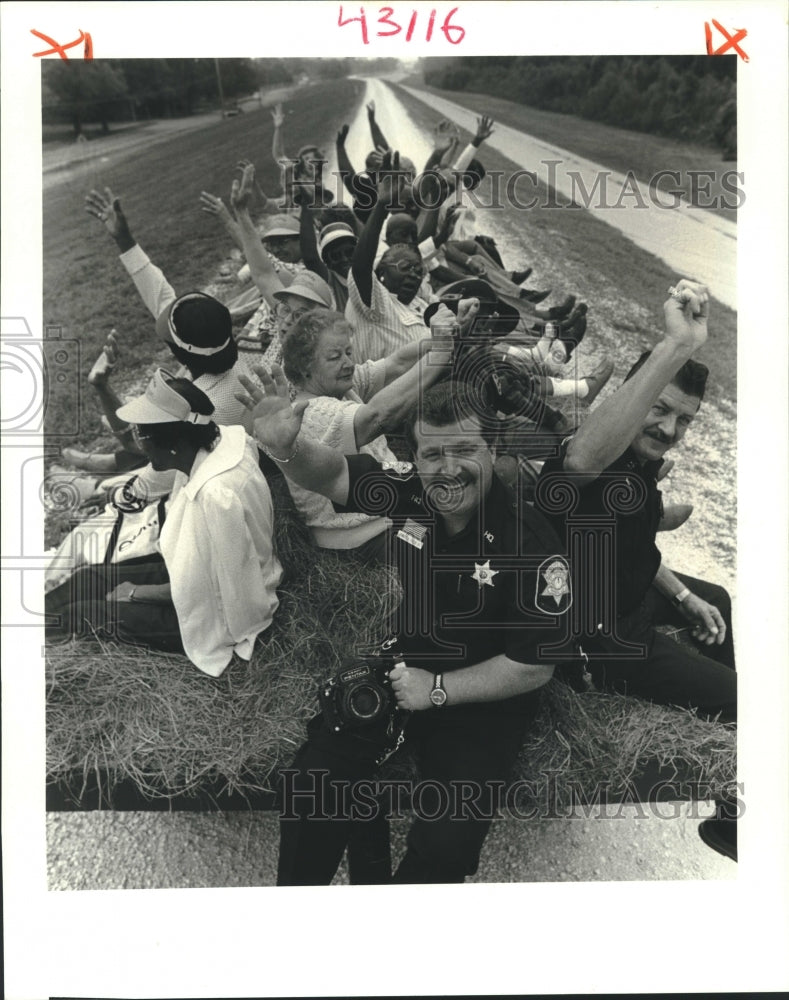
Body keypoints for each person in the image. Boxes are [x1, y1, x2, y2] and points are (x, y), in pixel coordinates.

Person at [237, 371, 570, 885]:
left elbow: (532, 667)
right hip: (405, 662)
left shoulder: (531, 542)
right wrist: (287, 448)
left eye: (464, 450)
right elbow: (332, 477)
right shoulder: (414, 494)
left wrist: (436, 691)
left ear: (495, 449)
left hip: (484, 698)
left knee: (446, 850)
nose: (448, 469)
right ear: (415, 458)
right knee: (315, 782)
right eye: (433, 454)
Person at [535, 278, 737, 860]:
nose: (669, 429)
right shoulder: (591, 452)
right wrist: (676, 345)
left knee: (716, 598)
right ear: (634, 393)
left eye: (685, 420)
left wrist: (680, 597)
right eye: (659, 408)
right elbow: (577, 462)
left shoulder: (640, 464)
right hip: (601, 643)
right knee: (750, 703)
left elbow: (630, 547)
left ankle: (723, 775)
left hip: (625, 598)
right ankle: (738, 806)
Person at [46, 372, 283, 677]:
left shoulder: (214, 496)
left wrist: (134, 592)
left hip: (213, 617)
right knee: (88, 578)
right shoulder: (222, 439)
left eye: (143, 435)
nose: (141, 446)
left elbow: (210, 592)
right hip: (196, 572)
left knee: (78, 615)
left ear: (173, 441)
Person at [278, 308, 452, 560]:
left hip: (390, 515)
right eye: (335, 356)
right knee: (444, 543)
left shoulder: (337, 384)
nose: (348, 363)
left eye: (348, 352)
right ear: (305, 368)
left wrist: (443, 337)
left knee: (456, 521)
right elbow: (378, 416)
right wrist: (441, 353)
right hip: (364, 536)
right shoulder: (310, 413)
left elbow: (398, 362)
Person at [345, 151, 435, 363]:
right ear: (382, 271)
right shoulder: (377, 302)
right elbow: (360, 268)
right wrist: (381, 205)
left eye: (418, 271)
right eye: (405, 267)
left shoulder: (419, 305)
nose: (414, 276)